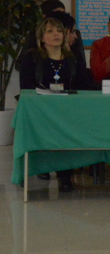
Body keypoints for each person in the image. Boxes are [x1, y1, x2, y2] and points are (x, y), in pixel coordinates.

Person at [20, 17, 89, 192]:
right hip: (40, 109)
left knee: (66, 128)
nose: (56, 34)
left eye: (59, 31)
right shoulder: (32, 58)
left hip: (67, 110)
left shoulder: (72, 58)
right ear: (41, 38)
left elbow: (84, 86)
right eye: (50, 31)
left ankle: (64, 176)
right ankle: (37, 168)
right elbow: (26, 88)